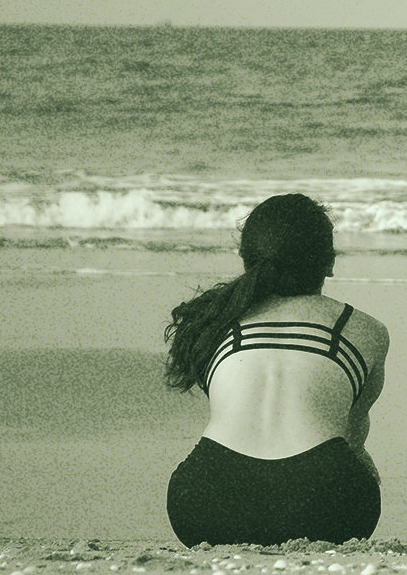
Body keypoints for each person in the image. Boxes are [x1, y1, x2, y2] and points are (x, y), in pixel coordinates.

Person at [162, 194, 389, 546]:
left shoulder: (212, 325)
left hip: (204, 506)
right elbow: (353, 439)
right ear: (329, 263)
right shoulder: (364, 329)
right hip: (328, 508)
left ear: (246, 260)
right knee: (358, 465)